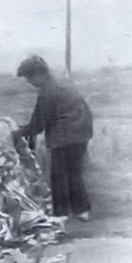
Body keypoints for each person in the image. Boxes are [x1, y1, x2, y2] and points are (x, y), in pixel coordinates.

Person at [13, 56, 93, 221]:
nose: (29, 82)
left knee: (59, 174)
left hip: (64, 135)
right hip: (82, 131)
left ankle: (61, 213)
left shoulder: (48, 91)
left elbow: (38, 124)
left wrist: (18, 132)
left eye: (29, 78)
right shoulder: (64, 82)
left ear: (37, 74)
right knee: (74, 171)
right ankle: (82, 210)